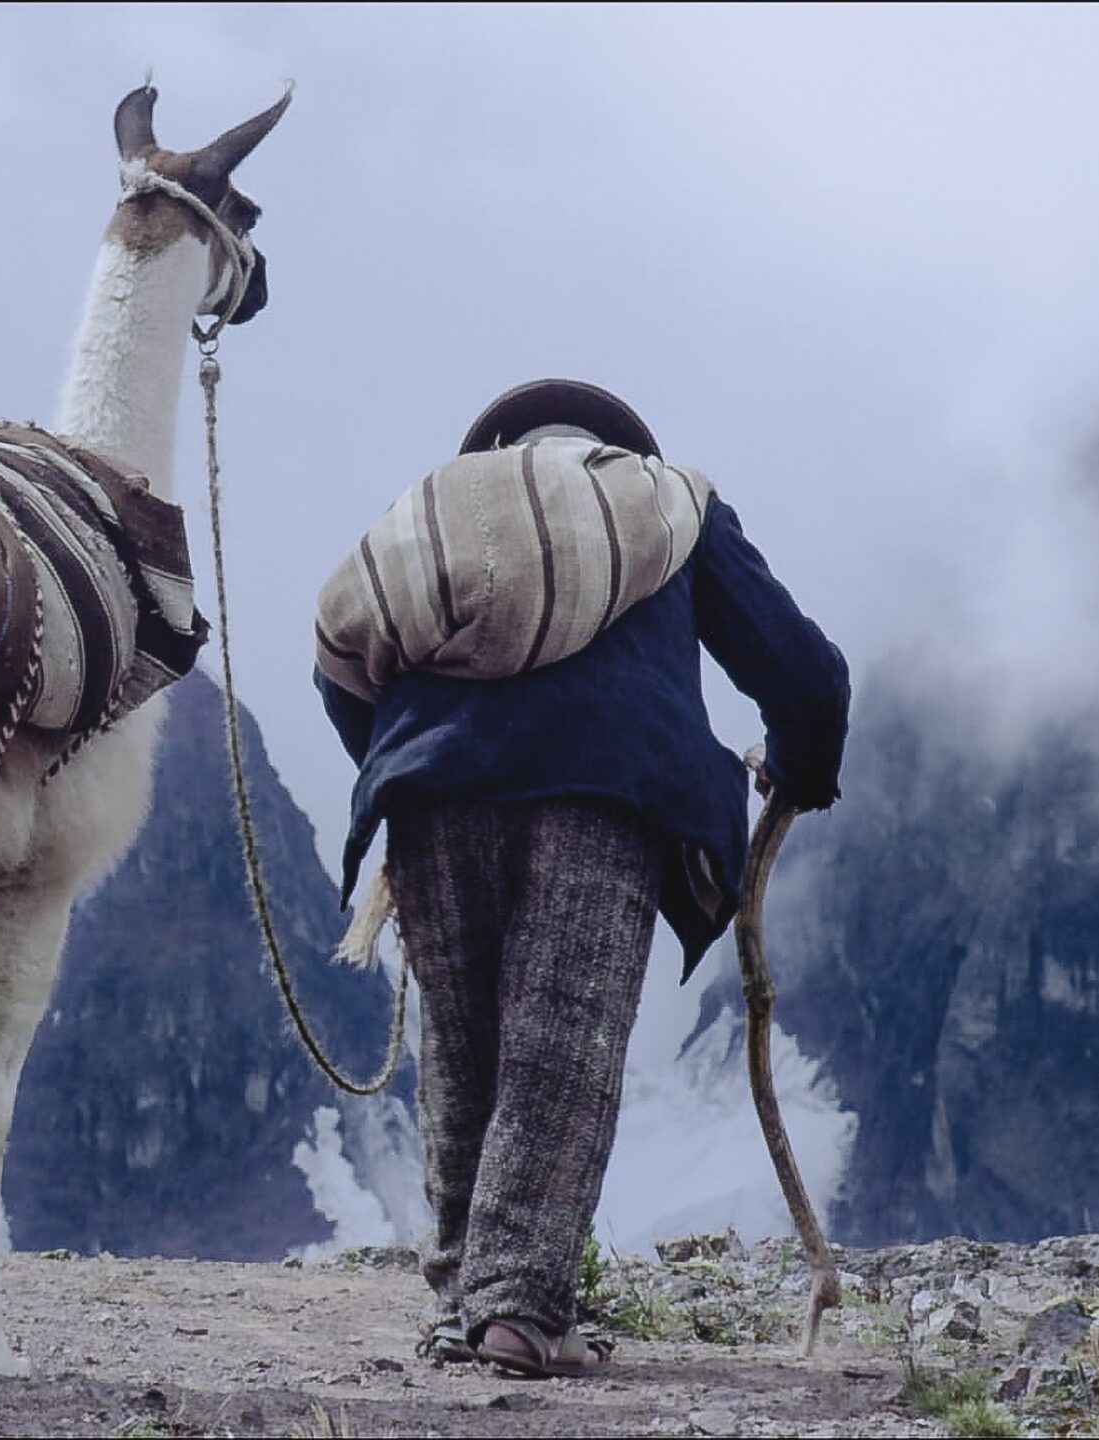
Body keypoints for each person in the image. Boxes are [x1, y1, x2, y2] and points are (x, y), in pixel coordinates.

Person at [312, 378, 850, 1378]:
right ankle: (518, 1312)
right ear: (617, 449)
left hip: (431, 793)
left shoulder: (432, 514)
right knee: (561, 1045)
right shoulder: (671, 506)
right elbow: (803, 673)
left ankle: (462, 1302)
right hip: (602, 789)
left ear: (498, 449)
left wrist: (407, 770)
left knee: (463, 1052)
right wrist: (800, 770)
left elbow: (341, 664)